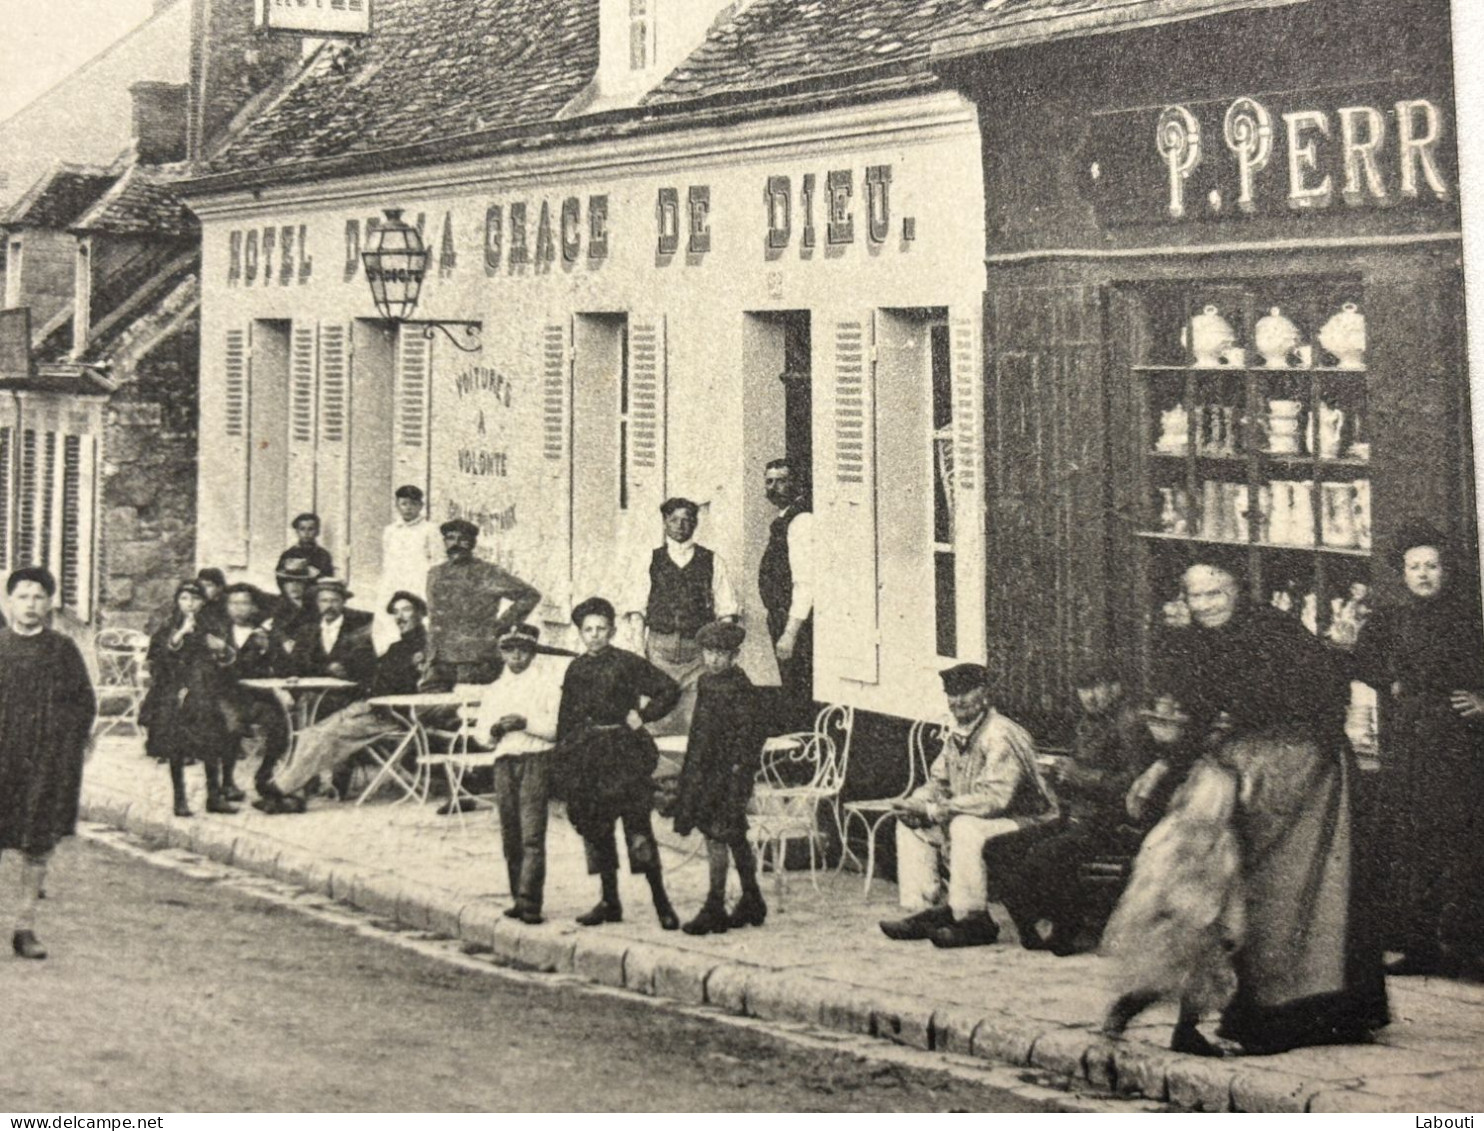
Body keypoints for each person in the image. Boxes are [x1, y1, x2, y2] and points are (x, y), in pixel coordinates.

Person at [1102, 563, 1389, 1057]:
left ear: (1238, 591)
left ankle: (1295, 1014)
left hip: (1305, 769)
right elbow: (1197, 720)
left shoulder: (1274, 632)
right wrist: (1161, 767)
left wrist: (1249, 761)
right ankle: (1194, 1010)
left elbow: (1320, 696)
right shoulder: (1195, 644)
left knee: (1291, 895)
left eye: (1217, 592)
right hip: (1241, 770)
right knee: (1218, 890)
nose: (1207, 604)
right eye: (1197, 596)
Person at [1352, 526, 1484, 976]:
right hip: (1407, 742)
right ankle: (1420, 944)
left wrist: (1483, 701)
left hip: (1458, 747)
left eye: (1432, 566)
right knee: (1412, 842)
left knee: (1460, 842)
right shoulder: (1389, 619)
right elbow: (1362, 660)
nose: (1424, 575)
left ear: (1446, 571)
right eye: (1415, 567)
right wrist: (1389, 682)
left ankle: (1465, 948)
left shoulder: (1470, 618)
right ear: (1402, 573)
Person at [879, 663, 1059, 949]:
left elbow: (995, 798)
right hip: (983, 815)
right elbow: (940, 782)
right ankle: (934, 908)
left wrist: (936, 810)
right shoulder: (959, 733)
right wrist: (917, 803)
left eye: (966, 692)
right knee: (911, 825)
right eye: (952, 693)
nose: (957, 701)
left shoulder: (999, 734)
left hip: (1028, 819)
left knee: (965, 828)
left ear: (984, 694)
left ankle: (974, 919)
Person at [1002, 664, 1155, 955]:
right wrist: (1058, 777)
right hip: (1079, 816)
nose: (1090, 696)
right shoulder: (1088, 722)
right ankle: (1031, 922)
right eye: (1084, 689)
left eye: (1098, 687)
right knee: (1005, 846)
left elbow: (1138, 782)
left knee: (1050, 852)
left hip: (1114, 823)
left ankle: (1066, 929)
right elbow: (1080, 771)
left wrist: (1080, 775)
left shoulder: (1129, 723)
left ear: (1116, 687)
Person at [552, 596, 682, 930]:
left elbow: (668, 689)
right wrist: (563, 765)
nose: (594, 635)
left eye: (601, 629)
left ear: (612, 630)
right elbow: (566, 721)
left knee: (638, 829)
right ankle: (609, 902)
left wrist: (643, 715)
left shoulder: (627, 663)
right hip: (589, 757)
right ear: (580, 632)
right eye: (588, 629)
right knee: (597, 828)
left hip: (625, 755)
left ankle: (662, 903)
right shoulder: (576, 668)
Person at [257, 591, 430, 814]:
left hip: (395, 716)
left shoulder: (426, 647)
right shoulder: (397, 647)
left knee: (325, 737)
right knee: (311, 733)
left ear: (420, 613)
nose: (400, 617)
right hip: (371, 707)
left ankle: (279, 790)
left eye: (406, 610)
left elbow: (415, 687)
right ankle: (295, 795)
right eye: (396, 612)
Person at [0, 567, 96, 960]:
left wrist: (66, 749)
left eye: (39, 597)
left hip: (43, 762)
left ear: (49, 603)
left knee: (37, 844)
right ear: (9, 602)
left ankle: (25, 926)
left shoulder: (62, 650)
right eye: (23, 596)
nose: (30, 604)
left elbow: (83, 704)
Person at [670, 620, 768, 935]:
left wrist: (738, 773)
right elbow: (700, 732)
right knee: (733, 833)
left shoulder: (741, 688)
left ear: (734, 655)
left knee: (717, 835)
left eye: (721, 654)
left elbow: (750, 736)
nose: (713, 659)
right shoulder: (707, 683)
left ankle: (714, 906)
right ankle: (752, 897)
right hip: (706, 772)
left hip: (729, 776)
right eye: (709, 652)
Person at [619, 497, 741, 737]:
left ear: (695, 524)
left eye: (687, 520)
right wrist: (637, 649)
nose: (680, 525)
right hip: (659, 649)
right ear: (665, 522)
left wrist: (718, 649)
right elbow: (637, 609)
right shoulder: (650, 560)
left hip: (696, 654)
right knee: (656, 716)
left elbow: (727, 610)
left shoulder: (712, 561)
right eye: (674, 519)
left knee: (694, 717)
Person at [473, 624, 570, 924]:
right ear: (501, 652)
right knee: (510, 833)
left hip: (534, 760)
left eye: (523, 650)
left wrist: (524, 723)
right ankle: (517, 895)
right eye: (509, 649)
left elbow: (554, 730)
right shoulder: (495, 689)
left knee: (531, 832)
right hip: (504, 763)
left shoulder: (546, 686)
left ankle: (530, 901)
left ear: (532, 652)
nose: (516, 656)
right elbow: (481, 736)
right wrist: (495, 729)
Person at [142, 580, 238, 818]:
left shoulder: (213, 625)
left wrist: (221, 648)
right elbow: (156, 657)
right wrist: (181, 634)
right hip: (174, 693)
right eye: (184, 599)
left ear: (203, 602)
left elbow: (229, 658)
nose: (190, 604)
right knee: (176, 747)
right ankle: (180, 799)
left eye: (195, 599)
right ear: (177, 601)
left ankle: (214, 796)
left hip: (205, 692)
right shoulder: (167, 626)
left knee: (212, 743)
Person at [425, 518, 541, 688]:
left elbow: (529, 595)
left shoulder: (487, 573)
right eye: (450, 538)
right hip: (438, 660)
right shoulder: (434, 574)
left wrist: (501, 626)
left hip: (474, 660)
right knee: (431, 711)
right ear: (444, 542)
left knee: (470, 710)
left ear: (472, 543)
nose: (455, 544)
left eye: (462, 539)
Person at [758, 457, 814, 731]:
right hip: (781, 619)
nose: (774, 487)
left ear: (796, 482)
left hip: (795, 624)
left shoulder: (802, 520)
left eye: (781, 481)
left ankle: (801, 756)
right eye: (769, 481)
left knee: (798, 691)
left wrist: (790, 632)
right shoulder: (784, 519)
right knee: (790, 688)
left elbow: (806, 581)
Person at [217, 583, 286, 806]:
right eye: (234, 603)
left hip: (256, 696)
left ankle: (264, 774)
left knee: (280, 724)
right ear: (226, 607)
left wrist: (267, 649)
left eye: (245, 603)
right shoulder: (217, 632)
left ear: (254, 607)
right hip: (224, 694)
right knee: (232, 725)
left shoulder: (265, 634)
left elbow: (283, 666)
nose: (239, 609)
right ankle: (227, 780)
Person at [286, 579, 376, 715]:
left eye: (334, 601)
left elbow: (363, 666)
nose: (329, 606)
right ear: (317, 603)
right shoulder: (307, 631)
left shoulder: (357, 631)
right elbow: (297, 662)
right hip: (313, 694)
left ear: (343, 602)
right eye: (324, 601)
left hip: (347, 696)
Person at [373, 485, 443, 655]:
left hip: (418, 583)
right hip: (394, 582)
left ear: (420, 506)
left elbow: (438, 561)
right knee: (390, 619)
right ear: (397, 505)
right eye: (404, 504)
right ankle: (391, 653)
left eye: (413, 504)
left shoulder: (429, 530)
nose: (408, 508)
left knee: (417, 618)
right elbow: (387, 559)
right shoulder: (390, 531)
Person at [265, 559, 318, 651]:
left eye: (299, 582)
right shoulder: (274, 606)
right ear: (283, 584)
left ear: (307, 584)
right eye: (289, 581)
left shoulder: (315, 606)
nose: (294, 586)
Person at [276, 512, 334, 581]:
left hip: (317, 589)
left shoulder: (323, 555)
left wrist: (317, 573)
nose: (306, 533)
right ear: (297, 531)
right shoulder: (288, 554)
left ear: (317, 532)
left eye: (310, 529)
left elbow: (328, 578)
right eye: (302, 529)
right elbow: (280, 577)